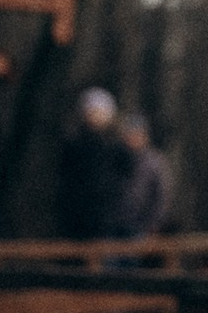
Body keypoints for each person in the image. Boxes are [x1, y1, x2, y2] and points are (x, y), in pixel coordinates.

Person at [54, 87, 131, 240]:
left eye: (98, 112)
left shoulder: (117, 147)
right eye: (91, 112)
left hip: (109, 217)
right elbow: (66, 180)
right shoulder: (73, 145)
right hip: (76, 215)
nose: (94, 117)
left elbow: (126, 180)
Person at [111, 114, 172, 240]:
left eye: (137, 133)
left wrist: (153, 224)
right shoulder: (114, 159)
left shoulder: (155, 163)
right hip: (114, 227)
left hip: (142, 227)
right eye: (129, 133)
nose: (133, 137)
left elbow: (161, 196)